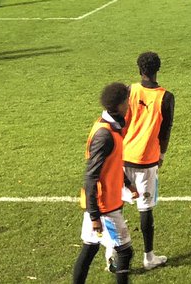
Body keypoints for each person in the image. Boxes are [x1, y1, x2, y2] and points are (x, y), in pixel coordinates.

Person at [117, 52, 174, 272]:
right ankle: (148, 257)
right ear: (157, 69)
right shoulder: (166, 97)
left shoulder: (129, 90)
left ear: (140, 69)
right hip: (147, 161)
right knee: (145, 209)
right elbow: (165, 129)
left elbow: (120, 120)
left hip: (124, 156)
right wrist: (162, 154)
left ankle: (112, 254)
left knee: (117, 207)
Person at [72, 83, 133, 284]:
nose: (129, 103)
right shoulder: (104, 135)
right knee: (125, 251)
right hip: (104, 207)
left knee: (90, 248)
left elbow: (113, 163)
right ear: (120, 104)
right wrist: (95, 215)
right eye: (127, 100)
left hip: (103, 204)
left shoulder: (111, 127)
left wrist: (127, 182)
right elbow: (91, 176)